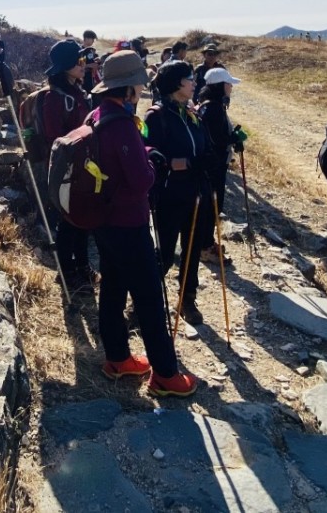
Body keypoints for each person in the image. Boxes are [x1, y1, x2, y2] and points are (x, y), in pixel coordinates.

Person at [90, 51, 197, 397]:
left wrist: (144, 152)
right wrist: (153, 165)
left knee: (113, 287)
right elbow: (140, 181)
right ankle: (165, 374)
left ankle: (117, 358)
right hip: (128, 223)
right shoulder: (121, 123)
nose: (141, 89)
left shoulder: (97, 114)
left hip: (104, 219)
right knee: (150, 297)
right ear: (128, 88)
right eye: (138, 84)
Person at [144, 61, 215, 326]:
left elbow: (206, 145)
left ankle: (187, 299)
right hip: (170, 195)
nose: (194, 82)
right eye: (189, 78)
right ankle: (143, 303)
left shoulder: (191, 113)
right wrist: (184, 163)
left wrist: (209, 159)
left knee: (193, 248)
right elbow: (149, 156)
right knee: (163, 253)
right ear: (176, 83)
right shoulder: (156, 116)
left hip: (197, 191)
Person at [41, 40, 94, 288]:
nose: (84, 64)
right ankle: (66, 271)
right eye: (79, 61)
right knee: (68, 221)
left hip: (83, 167)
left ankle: (82, 266)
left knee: (83, 217)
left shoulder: (77, 93)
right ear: (65, 67)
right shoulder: (54, 98)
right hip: (67, 168)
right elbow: (54, 137)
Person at [196, 66, 243, 268]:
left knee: (211, 206)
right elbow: (217, 139)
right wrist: (234, 138)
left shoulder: (207, 105)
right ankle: (205, 248)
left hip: (211, 164)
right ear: (219, 86)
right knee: (212, 206)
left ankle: (206, 243)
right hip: (214, 166)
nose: (231, 87)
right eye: (228, 83)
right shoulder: (214, 108)